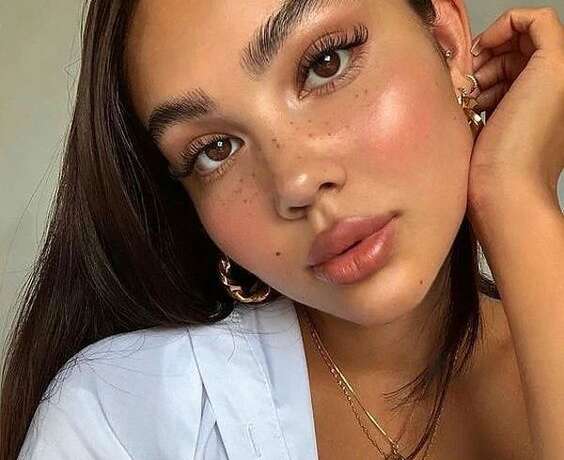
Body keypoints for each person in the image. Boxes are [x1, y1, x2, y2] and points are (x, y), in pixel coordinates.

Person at [1, 0, 563, 458]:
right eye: (215, 150)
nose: (295, 182)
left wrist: (514, 195)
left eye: (326, 64)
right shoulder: (123, 419)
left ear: (446, 41)